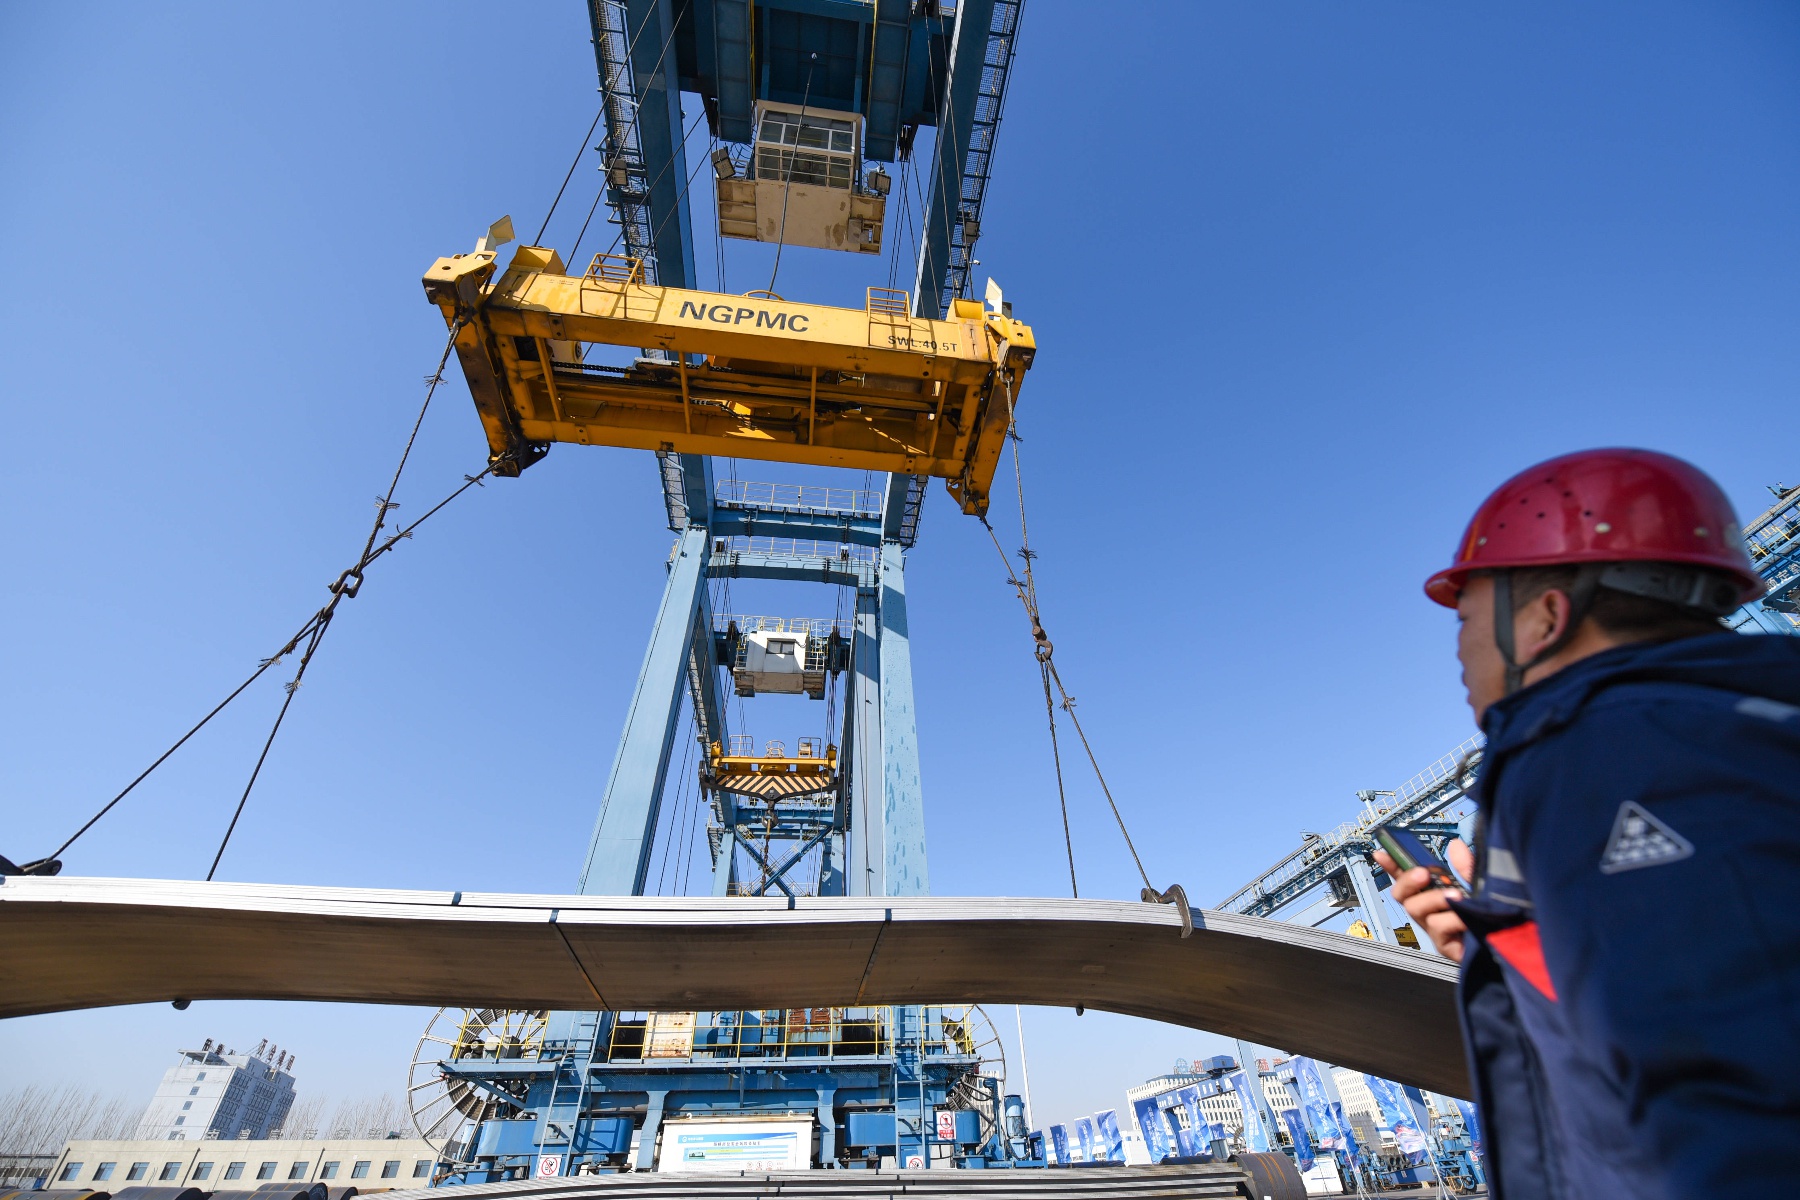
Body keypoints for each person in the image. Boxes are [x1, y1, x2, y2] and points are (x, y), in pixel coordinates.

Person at [1373, 448, 1800, 1199]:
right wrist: (1512, 942)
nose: (1459, 654)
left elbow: (1724, 1084)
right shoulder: (1746, 727)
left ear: (1546, 616)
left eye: (1465, 621)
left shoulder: (1604, 749)